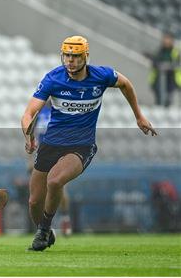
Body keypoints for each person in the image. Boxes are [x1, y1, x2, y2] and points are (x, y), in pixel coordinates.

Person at [21, 36, 157, 251]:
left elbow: (126, 84)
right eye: (67, 56)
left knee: (55, 182)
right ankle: (47, 230)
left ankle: (43, 232)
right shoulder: (53, 79)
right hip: (51, 144)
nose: (70, 61)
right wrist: (28, 133)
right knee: (34, 202)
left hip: (81, 146)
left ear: (85, 57)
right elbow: (29, 113)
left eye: (75, 56)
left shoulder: (101, 75)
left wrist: (138, 116)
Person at [27, 101, 72, 236]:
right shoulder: (39, 111)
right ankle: (46, 227)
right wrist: (29, 159)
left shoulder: (64, 109)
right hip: (42, 154)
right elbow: (31, 134)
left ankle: (65, 218)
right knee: (39, 193)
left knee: (59, 186)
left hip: (60, 152)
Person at [149, 32, 181, 107]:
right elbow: (155, 63)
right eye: (165, 39)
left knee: (169, 101)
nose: (166, 41)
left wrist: (167, 66)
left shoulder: (175, 52)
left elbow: (177, 64)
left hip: (172, 81)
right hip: (158, 80)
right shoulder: (159, 51)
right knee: (159, 101)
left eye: (168, 39)